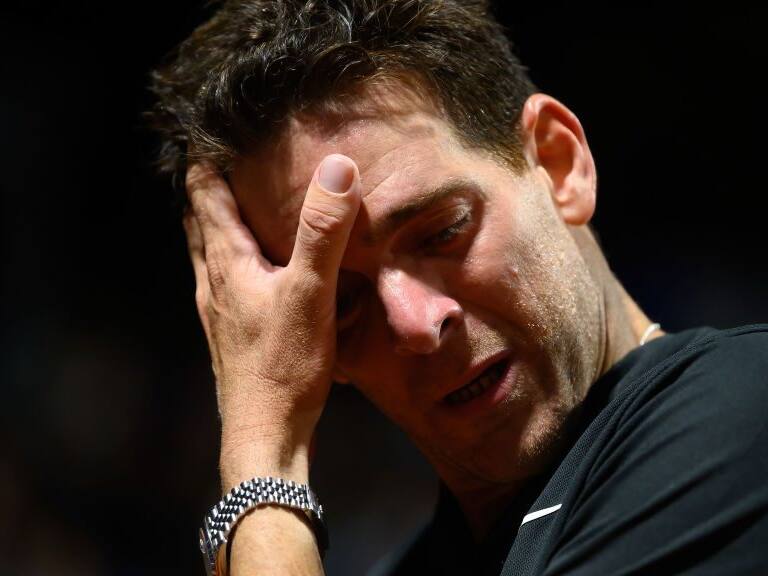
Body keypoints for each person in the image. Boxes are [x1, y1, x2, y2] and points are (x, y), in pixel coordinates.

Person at [147, 1, 768, 574]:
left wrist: (264, 455)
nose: (415, 323)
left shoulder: (744, 414)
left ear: (557, 163)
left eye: (442, 231)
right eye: (339, 301)